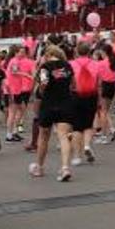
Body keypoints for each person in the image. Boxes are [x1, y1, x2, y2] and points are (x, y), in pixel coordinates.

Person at [30, 45, 77, 181]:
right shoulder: (68, 66)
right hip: (65, 103)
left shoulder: (45, 67)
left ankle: (39, 167)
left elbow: (44, 83)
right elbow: (74, 85)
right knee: (63, 137)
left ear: (48, 54)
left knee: (43, 136)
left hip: (49, 104)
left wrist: (40, 92)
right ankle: (65, 168)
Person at [69, 41, 100, 163]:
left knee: (77, 127)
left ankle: (77, 156)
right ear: (89, 52)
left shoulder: (71, 64)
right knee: (88, 124)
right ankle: (87, 145)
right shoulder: (95, 64)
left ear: (77, 51)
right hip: (91, 95)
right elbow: (99, 83)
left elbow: (69, 82)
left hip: (76, 95)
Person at [94, 42, 115, 143]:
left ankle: (104, 135)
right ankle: (111, 130)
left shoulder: (101, 63)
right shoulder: (113, 61)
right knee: (106, 110)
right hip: (112, 86)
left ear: (104, 52)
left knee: (103, 112)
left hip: (105, 85)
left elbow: (97, 76)